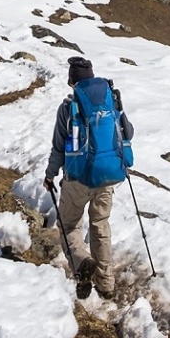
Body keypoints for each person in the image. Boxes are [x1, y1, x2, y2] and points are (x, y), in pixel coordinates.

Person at [43, 56, 134, 299]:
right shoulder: (110, 102)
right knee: (100, 225)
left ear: (71, 81)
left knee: (69, 224)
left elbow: (58, 148)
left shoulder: (68, 108)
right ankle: (106, 284)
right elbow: (129, 132)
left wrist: (50, 175)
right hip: (108, 176)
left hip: (78, 179)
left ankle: (82, 262)